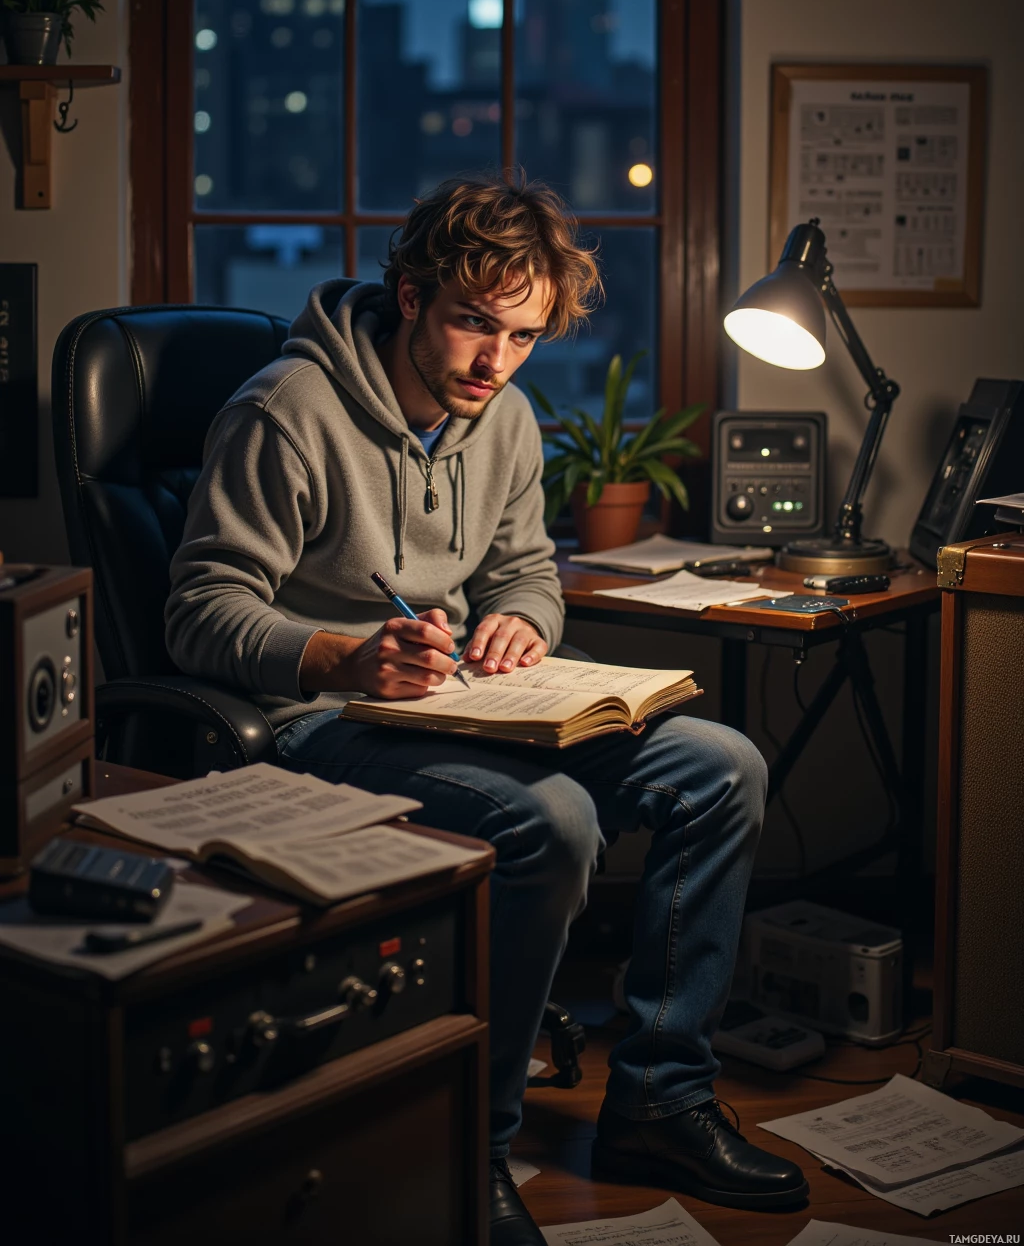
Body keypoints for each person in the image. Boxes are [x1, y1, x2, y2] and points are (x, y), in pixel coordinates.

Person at [166, 174, 808, 1241]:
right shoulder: (285, 412)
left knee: (721, 765)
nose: (495, 361)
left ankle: (659, 1098)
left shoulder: (503, 416)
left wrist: (523, 622)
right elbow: (197, 614)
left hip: (464, 699)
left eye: (522, 336)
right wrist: (340, 655)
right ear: (410, 295)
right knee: (549, 818)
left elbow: (524, 573)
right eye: (474, 324)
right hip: (313, 723)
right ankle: (474, 1144)